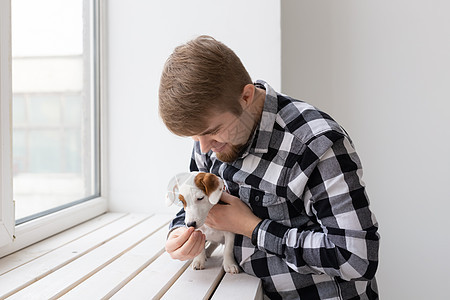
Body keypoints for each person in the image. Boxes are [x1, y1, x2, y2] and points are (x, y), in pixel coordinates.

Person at [159, 35, 379, 299]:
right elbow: (192, 200)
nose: (203, 149)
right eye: (195, 138)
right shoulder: (210, 141)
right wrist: (180, 233)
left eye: (213, 132)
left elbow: (357, 258)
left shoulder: (317, 144)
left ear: (246, 96)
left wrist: (251, 227)